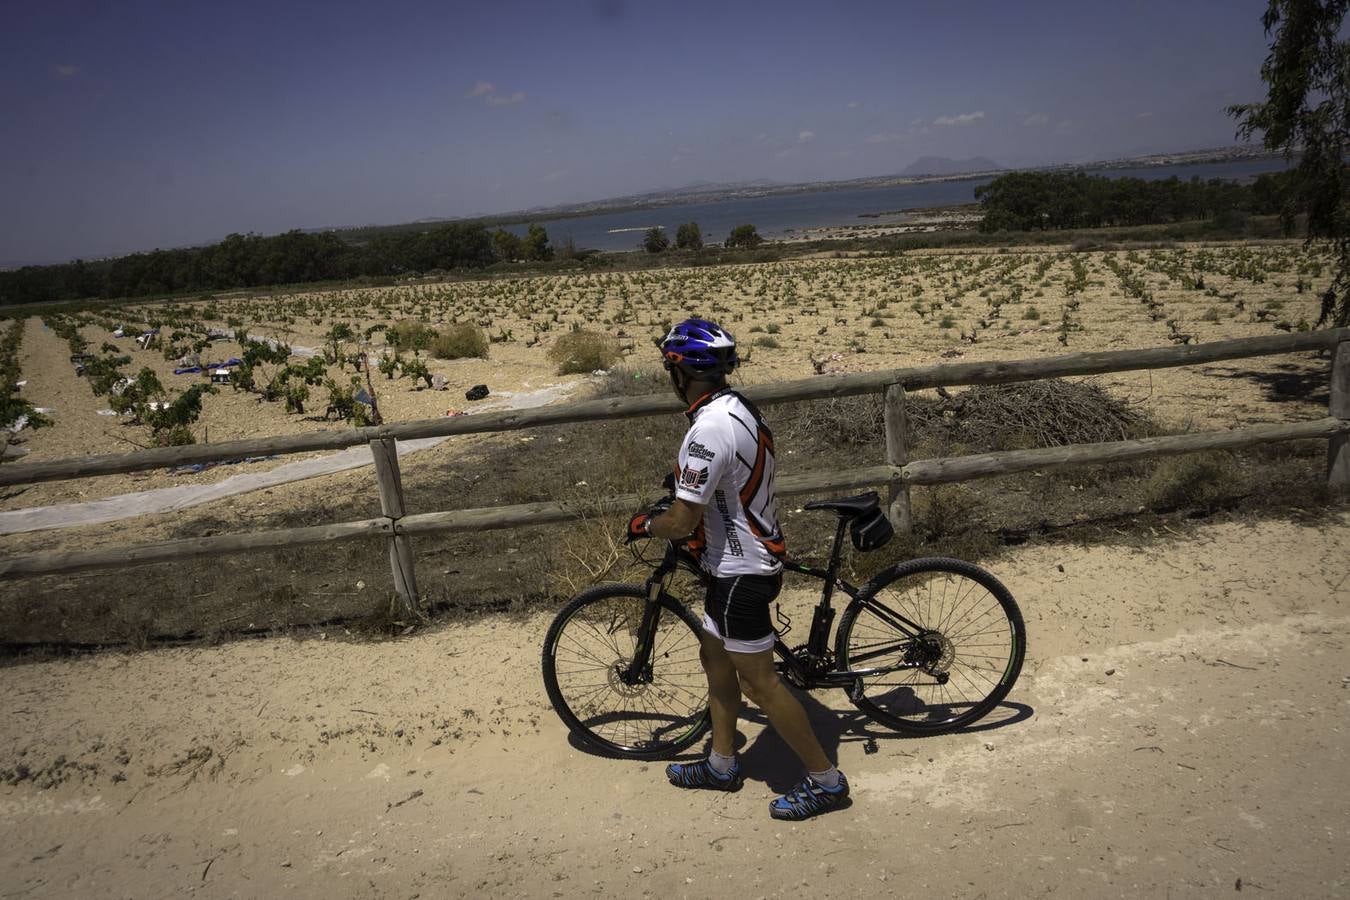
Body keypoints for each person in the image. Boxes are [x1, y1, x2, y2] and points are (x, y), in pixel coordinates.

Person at [626, 317, 850, 821]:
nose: (668, 376)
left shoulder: (707, 429)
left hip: (740, 572)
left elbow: (682, 521)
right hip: (739, 562)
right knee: (716, 662)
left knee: (760, 685)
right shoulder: (737, 407)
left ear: (679, 372)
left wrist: (645, 525)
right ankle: (721, 764)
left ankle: (826, 781)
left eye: (669, 368)